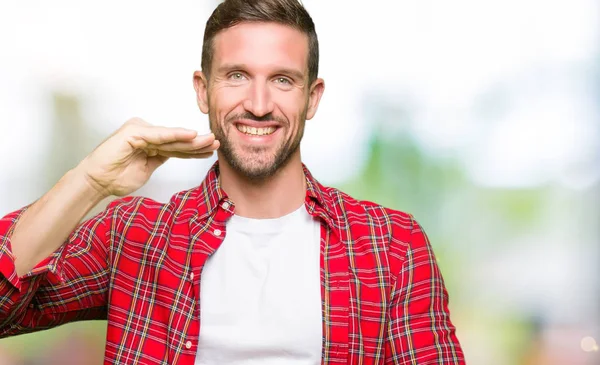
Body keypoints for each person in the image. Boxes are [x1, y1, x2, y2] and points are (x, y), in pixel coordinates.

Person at [0, 0, 465, 364]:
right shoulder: (137, 234)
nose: (259, 104)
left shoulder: (391, 246)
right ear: (203, 90)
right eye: (237, 76)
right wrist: (90, 180)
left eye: (283, 80)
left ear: (312, 97)